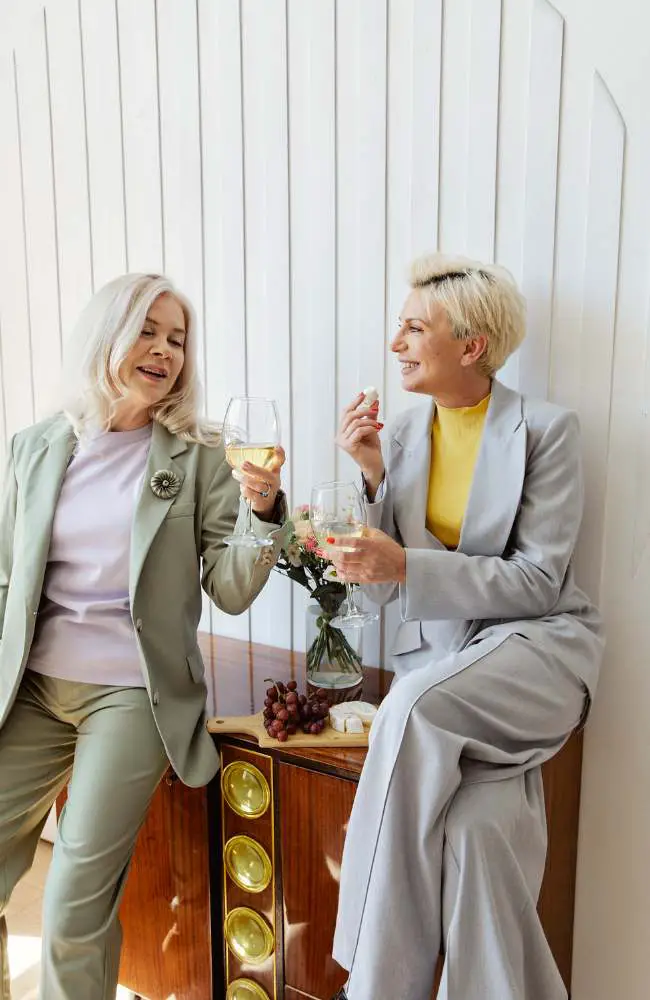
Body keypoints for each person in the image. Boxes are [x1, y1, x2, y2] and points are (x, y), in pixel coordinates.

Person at [0, 273, 286, 1000]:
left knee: (70, 907)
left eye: (178, 339)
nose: (165, 351)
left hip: (130, 695)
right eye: (148, 332)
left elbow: (229, 585)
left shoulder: (199, 456)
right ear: (107, 337)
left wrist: (263, 511)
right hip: (30, 687)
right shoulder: (35, 447)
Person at [329, 253, 604, 1000]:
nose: (397, 344)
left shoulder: (546, 431)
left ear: (471, 345)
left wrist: (409, 568)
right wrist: (373, 480)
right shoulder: (407, 437)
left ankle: (373, 981)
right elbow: (385, 599)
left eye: (415, 328)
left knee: (410, 708)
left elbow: (538, 583)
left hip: (540, 653)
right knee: (477, 838)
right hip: (452, 667)